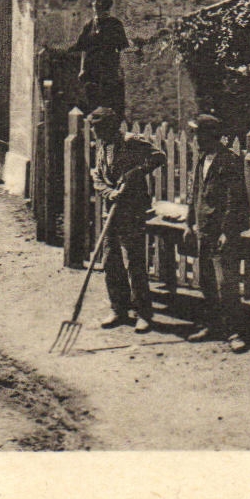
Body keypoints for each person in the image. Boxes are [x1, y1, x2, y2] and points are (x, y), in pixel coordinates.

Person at [88, 107, 161, 333]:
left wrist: (136, 172)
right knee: (110, 260)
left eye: (98, 127)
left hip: (132, 211)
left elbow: (159, 157)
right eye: (93, 127)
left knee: (134, 262)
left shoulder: (131, 142)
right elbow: (98, 178)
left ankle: (143, 314)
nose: (94, 131)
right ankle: (118, 309)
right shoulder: (101, 146)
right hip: (112, 209)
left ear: (111, 126)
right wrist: (110, 194)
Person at [184, 113, 250, 353]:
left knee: (226, 283)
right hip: (203, 229)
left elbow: (236, 201)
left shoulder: (229, 161)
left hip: (222, 232)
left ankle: (234, 332)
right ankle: (212, 325)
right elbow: (195, 194)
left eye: (198, 134)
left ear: (209, 136)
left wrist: (228, 232)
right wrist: (189, 224)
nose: (194, 139)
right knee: (206, 280)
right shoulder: (202, 158)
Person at [68, 0, 129, 114]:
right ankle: (93, 128)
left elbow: (121, 48)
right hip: (91, 70)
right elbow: (83, 48)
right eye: (95, 5)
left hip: (109, 68)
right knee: (92, 100)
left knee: (109, 101)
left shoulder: (115, 24)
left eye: (100, 4)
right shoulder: (89, 25)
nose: (96, 7)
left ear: (107, 7)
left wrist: (120, 68)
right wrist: (82, 69)